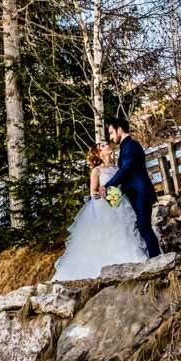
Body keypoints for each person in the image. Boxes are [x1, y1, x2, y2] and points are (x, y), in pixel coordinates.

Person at [52, 142, 148, 280]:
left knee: (128, 230)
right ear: (99, 154)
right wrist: (105, 195)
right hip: (104, 207)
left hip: (122, 203)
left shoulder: (118, 167)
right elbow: (93, 192)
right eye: (102, 146)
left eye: (105, 144)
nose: (107, 145)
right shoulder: (97, 171)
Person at [101, 117, 162, 258]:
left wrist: (108, 185)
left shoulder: (132, 146)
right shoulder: (126, 147)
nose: (110, 137)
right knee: (142, 226)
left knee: (144, 226)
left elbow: (126, 170)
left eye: (111, 132)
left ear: (120, 130)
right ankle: (155, 258)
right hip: (136, 193)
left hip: (141, 192)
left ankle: (156, 259)